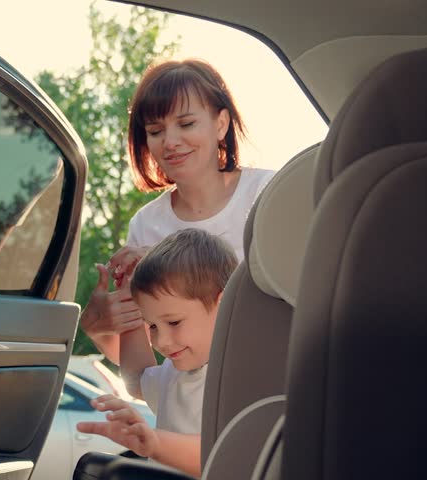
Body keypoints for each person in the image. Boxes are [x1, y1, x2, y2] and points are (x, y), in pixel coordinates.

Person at [80, 58, 274, 365]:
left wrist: (173, 268)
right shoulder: (145, 225)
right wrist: (98, 328)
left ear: (220, 124)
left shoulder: (270, 192)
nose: (170, 142)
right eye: (156, 131)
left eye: (186, 124)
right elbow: (150, 371)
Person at [76, 228, 238, 477]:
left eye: (173, 323)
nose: (160, 341)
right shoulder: (175, 373)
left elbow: (223, 455)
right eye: (151, 326)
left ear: (225, 304)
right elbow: (136, 379)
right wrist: (129, 300)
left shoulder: (237, 376)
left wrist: (156, 442)